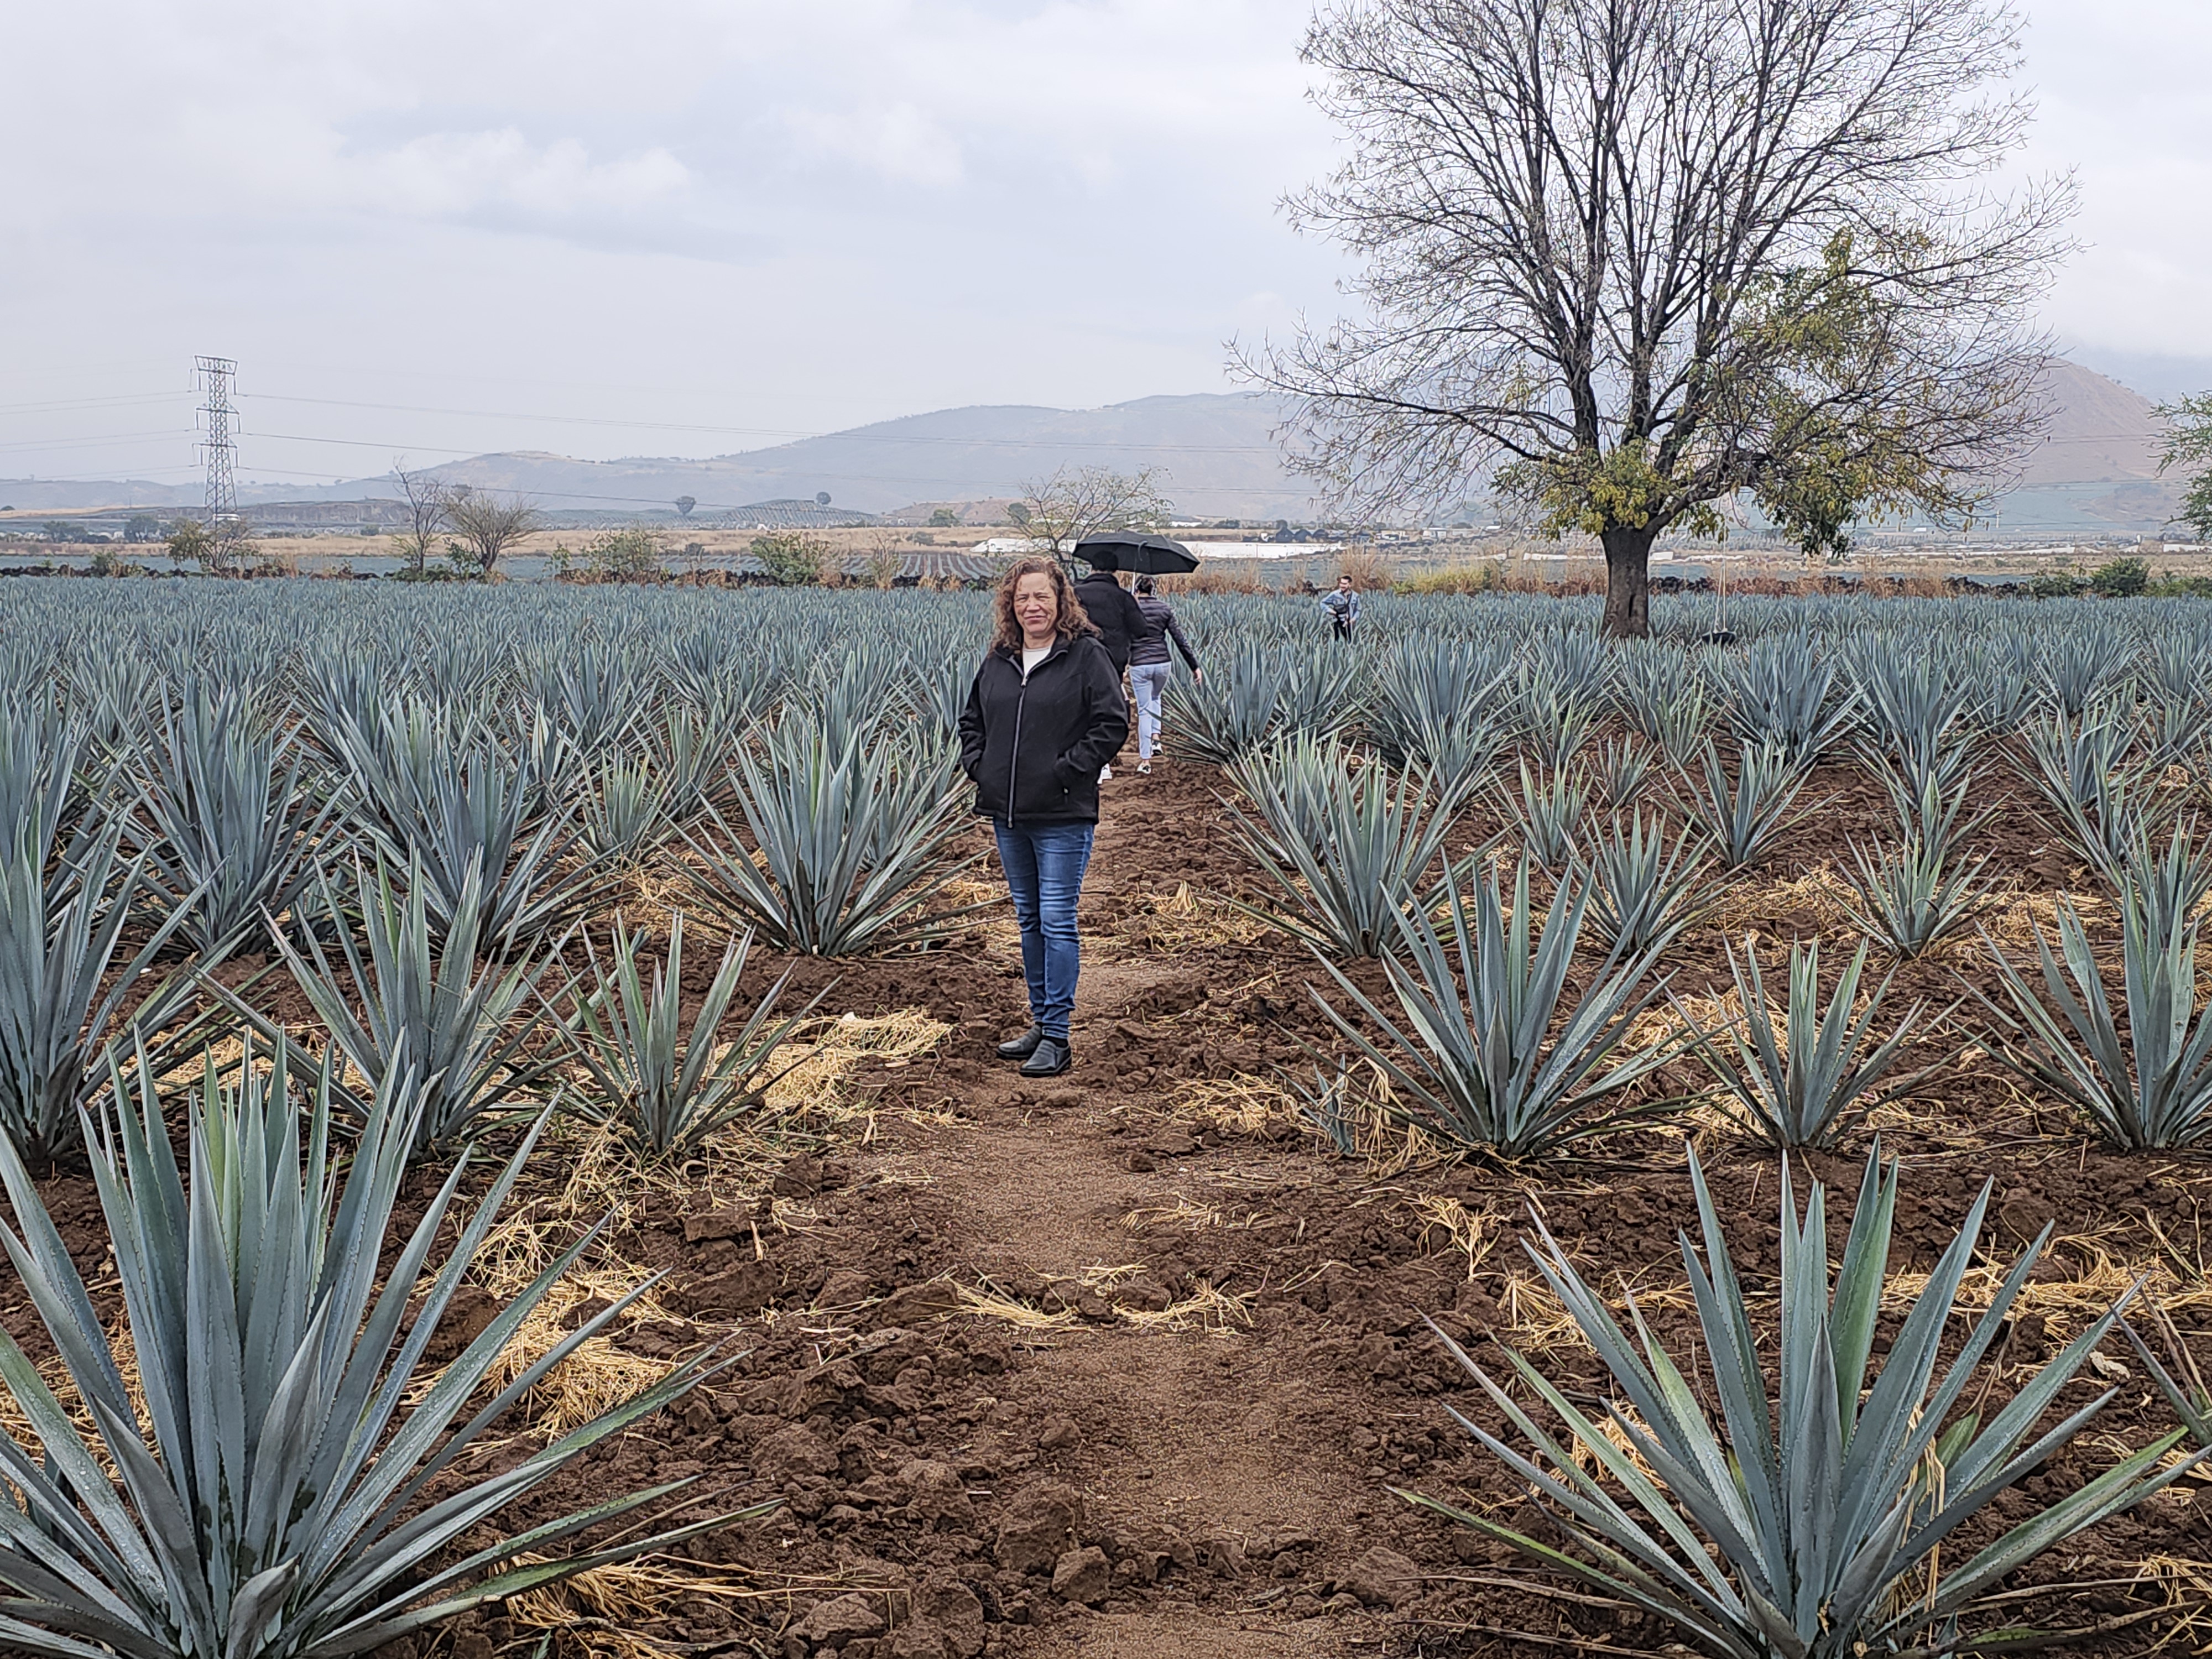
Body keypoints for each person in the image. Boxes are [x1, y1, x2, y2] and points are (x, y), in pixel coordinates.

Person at [958, 557, 1129, 1078]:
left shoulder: (1085, 656)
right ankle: (1040, 1021)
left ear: (1061, 601)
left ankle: (1058, 1035)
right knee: (1029, 920)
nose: (1032, 607)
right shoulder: (1001, 658)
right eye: (1021, 599)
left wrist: (1066, 772)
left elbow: (1112, 722)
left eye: (1042, 597)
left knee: (1057, 920)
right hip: (1007, 812)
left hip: (1061, 812)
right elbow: (972, 721)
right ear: (1011, 606)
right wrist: (980, 768)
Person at [1071, 562, 1146, 779]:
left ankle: (1086, 759)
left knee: (1080, 706)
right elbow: (1141, 630)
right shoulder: (1123, 597)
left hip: (1078, 658)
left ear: (1093, 569)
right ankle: (1102, 762)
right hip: (1113, 662)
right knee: (1106, 709)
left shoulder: (1076, 593)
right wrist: (1133, 606)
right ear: (1114, 571)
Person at [1126, 573, 1200, 775]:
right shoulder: (1164, 609)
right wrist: (1195, 666)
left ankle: (1145, 760)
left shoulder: (1131, 610)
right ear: (1153, 590)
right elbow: (1180, 640)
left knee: (1143, 711)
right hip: (1163, 663)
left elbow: (1123, 638)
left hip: (1140, 664)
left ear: (1137, 589)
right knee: (1156, 698)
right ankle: (1156, 739)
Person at [1322, 573, 1362, 640]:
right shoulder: (1335, 594)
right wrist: (1330, 611)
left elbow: (1358, 609)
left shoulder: (1355, 596)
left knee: (1350, 640)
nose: (1342, 586)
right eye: (1341, 583)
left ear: (1350, 585)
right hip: (1337, 622)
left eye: (1345, 584)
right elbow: (1323, 603)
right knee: (1338, 641)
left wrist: (1354, 618)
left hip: (1350, 624)